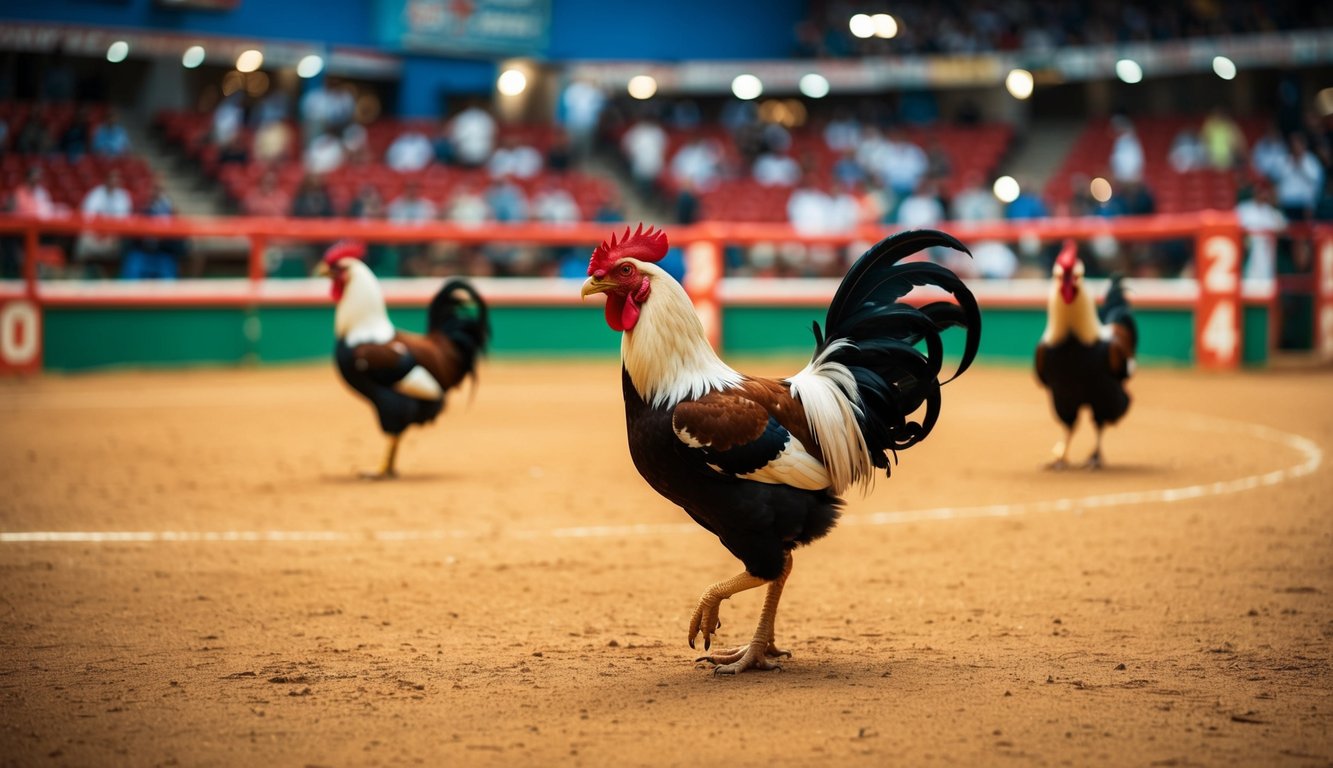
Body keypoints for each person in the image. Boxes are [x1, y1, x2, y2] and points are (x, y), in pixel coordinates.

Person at [76, 169, 134, 273]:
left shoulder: (123, 196)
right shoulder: (96, 193)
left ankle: (112, 275)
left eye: (116, 180)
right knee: (84, 237)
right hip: (96, 232)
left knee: (123, 241)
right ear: (106, 180)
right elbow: (87, 216)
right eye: (112, 179)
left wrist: (111, 233)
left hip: (114, 234)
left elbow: (124, 220)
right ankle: (82, 271)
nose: (114, 182)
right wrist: (98, 232)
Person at [121, 185, 185, 280]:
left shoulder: (171, 214)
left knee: (168, 280)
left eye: (159, 192)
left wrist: (163, 240)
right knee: (132, 272)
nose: (156, 195)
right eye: (154, 192)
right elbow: (130, 238)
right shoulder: (142, 212)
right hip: (142, 253)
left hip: (163, 254)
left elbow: (180, 245)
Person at [1265, 132, 1324, 221]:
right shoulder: (1283, 160)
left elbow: (1315, 180)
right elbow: (1274, 178)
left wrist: (1300, 164)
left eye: (1298, 144)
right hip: (1286, 203)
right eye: (1293, 144)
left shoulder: (1311, 160)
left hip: (1304, 205)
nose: (1295, 147)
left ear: (1303, 145)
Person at [1235, 182, 1287, 281]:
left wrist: (1274, 204)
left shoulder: (1272, 212)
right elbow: (1234, 226)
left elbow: (1284, 227)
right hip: (1248, 250)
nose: (1262, 194)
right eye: (1260, 191)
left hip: (1266, 251)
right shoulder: (1244, 208)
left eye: (1265, 192)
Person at [449, 103, 497, 168]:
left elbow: (453, 139)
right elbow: (493, 137)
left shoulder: (462, 117)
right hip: (483, 156)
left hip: (466, 157)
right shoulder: (486, 117)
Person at [1108, 116, 1144, 184]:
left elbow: (1136, 161)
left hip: (1130, 178)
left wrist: (1132, 176)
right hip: (1120, 179)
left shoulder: (1132, 142)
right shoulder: (1119, 141)